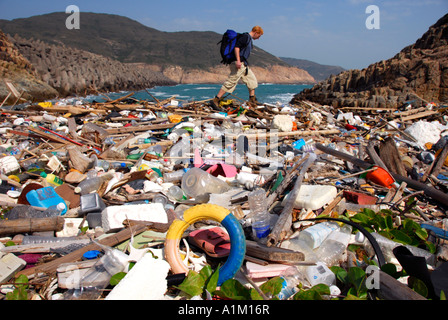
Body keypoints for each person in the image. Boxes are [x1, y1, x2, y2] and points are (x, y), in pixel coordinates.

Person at [211, 26, 264, 109]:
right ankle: (216, 100)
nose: (258, 38)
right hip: (239, 63)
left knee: (252, 80)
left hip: (244, 64)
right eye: (259, 36)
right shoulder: (245, 37)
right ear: (256, 32)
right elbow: (236, 47)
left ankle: (252, 99)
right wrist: (238, 61)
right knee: (231, 81)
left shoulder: (248, 39)